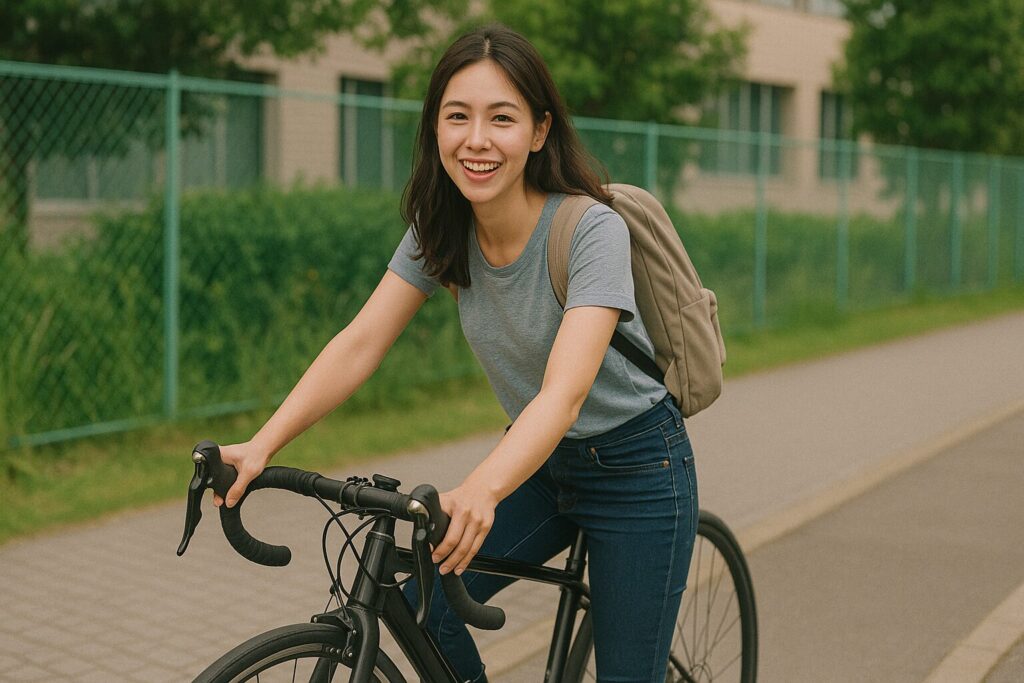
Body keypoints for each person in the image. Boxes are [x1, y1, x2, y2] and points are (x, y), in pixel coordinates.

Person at [214, 24, 698, 683]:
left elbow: (565, 392)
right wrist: (262, 443)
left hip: (639, 467)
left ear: (537, 131)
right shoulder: (440, 230)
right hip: (544, 464)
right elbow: (360, 343)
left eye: (501, 118)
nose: (476, 140)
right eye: (457, 116)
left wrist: (480, 488)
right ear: (435, 128)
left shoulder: (590, 230)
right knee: (422, 604)